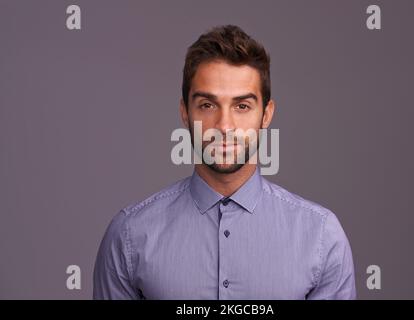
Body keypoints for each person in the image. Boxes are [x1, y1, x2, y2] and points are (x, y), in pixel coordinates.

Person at [93, 25, 356, 300]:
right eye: (207, 105)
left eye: (242, 106)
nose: (225, 125)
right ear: (185, 113)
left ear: (266, 115)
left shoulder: (321, 237)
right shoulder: (129, 235)